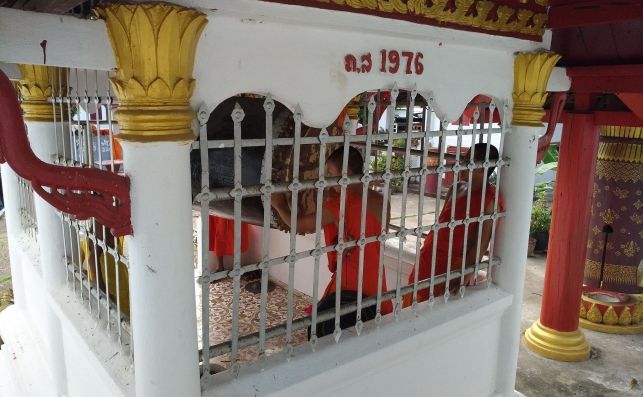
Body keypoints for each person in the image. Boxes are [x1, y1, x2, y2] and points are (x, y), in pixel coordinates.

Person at [271, 146, 393, 337]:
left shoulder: (342, 204)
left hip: (351, 283)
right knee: (371, 335)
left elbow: (301, 226)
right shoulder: (381, 200)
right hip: (375, 279)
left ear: (347, 173)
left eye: (330, 173)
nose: (327, 179)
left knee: (333, 335)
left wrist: (279, 204)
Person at [403, 143, 503, 307]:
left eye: (467, 160)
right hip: (428, 257)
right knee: (412, 303)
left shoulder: (490, 200)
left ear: (482, 168)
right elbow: (441, 224)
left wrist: (462, 278)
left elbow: (480, 245)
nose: (461, 164)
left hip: (451, 266)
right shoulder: (456, 188)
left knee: (433, 311)